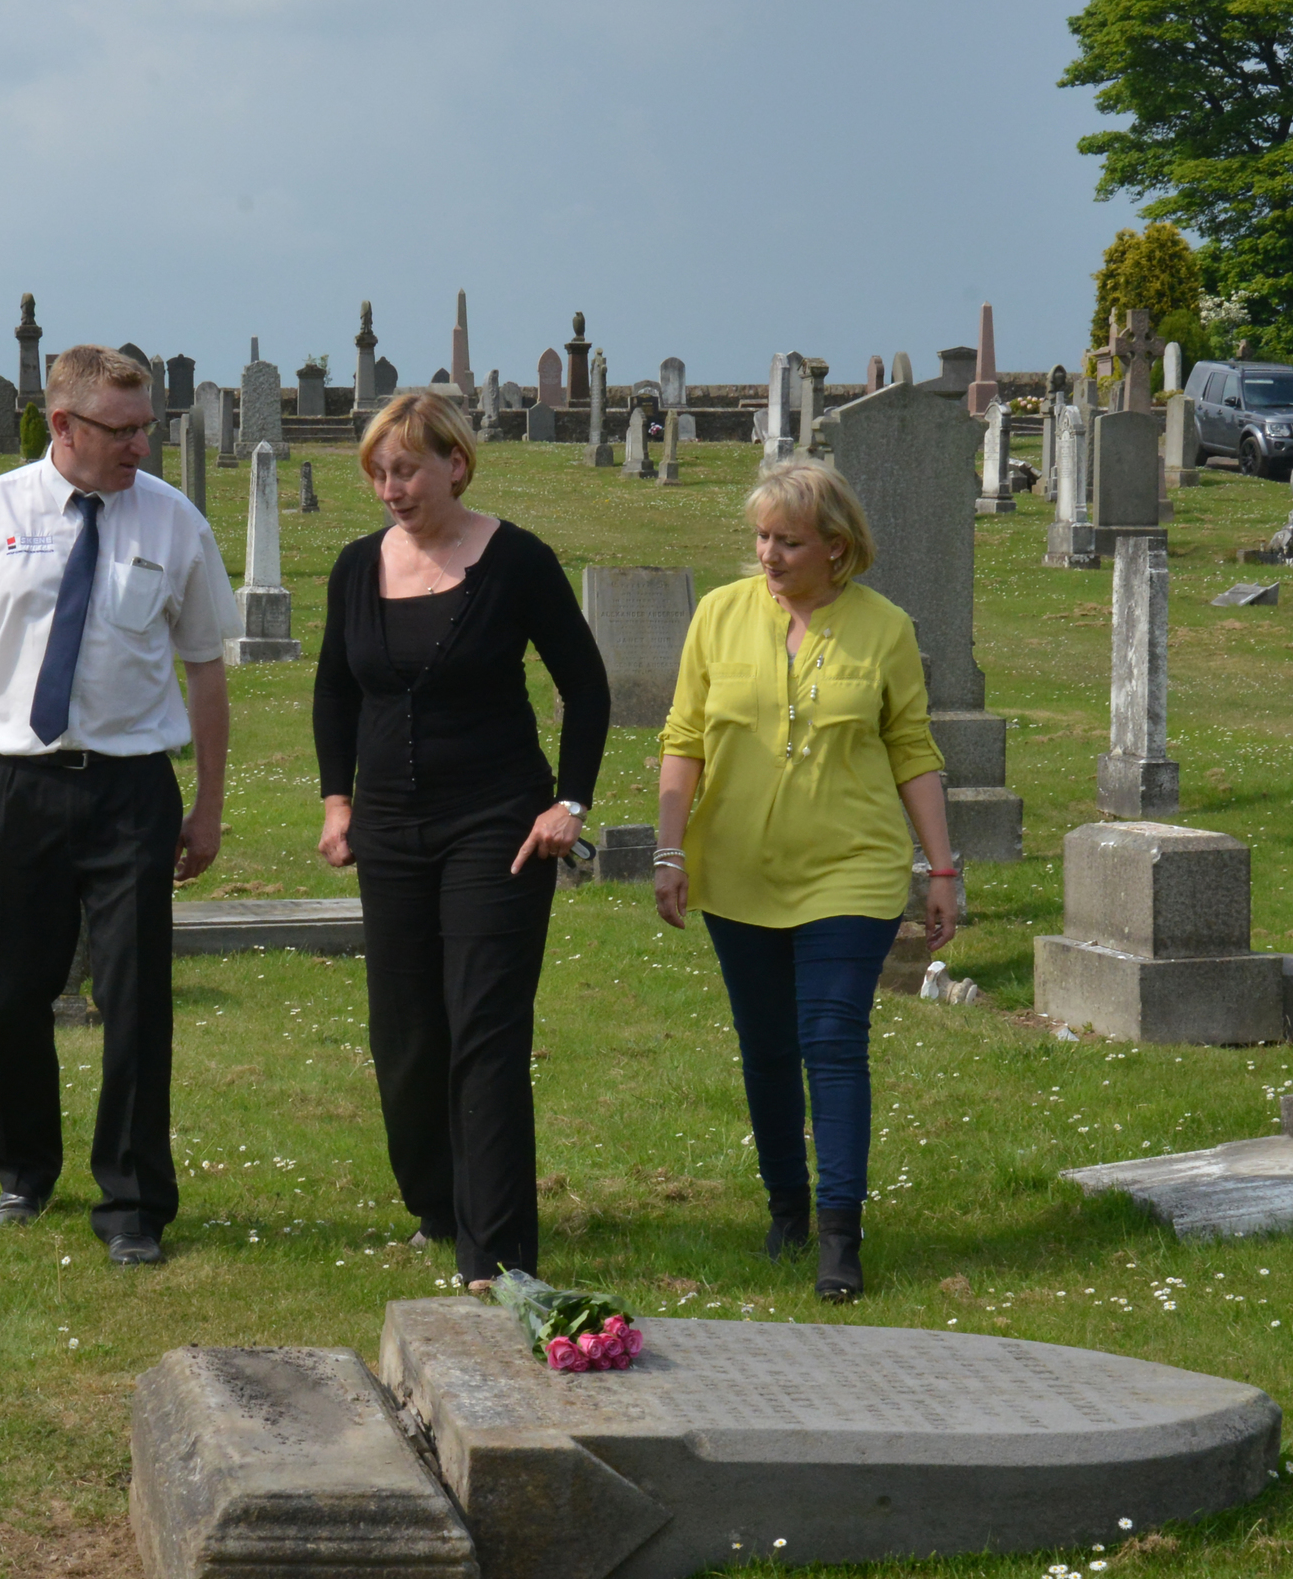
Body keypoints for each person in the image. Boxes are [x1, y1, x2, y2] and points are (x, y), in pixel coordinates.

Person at [0, 345, 236, 1265]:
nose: (140, 448)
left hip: (130, 790)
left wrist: (206, 805)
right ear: (62, 426)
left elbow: (205, 669)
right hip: (13, 785)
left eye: (147, 429)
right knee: (11, 992)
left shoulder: (173, 525)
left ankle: (131, 1205)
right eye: (121, 432)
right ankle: (24, 1170)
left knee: (133, 1000)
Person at [311, 390, 611, 1287]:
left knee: (483, 1027)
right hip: (392, 831)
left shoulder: (516, 561)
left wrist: (572, 805)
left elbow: (585, 689)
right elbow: (335, 690)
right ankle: (436, 1207)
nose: (390, 488)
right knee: (403, 1036)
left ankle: (497, 1251)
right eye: (377, 472)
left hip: (497, 825)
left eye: (405, 468)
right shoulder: (355, 567)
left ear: (455, 464)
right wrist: (337, 803)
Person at [652, 457, 956, 1303]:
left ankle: (837, 1235)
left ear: (835, 546)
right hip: (738, 868)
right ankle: (784, 1207)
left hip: (850, 870)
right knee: (766, 1049)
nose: (769, 556)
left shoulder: (884, 627)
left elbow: (913, 752)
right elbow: (683, 739)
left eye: (787, 541)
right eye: (760, 538)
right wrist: (669, 851)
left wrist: (941, 867)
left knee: (831, 1041)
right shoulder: (717, 616)